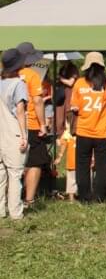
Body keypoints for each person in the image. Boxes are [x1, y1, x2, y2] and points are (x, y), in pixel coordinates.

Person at [69, 51, 106, 204]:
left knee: (82, 166)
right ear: (102, 67)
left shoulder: (79, 83)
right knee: (101, 166)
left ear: (86, 67)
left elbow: (74, 108)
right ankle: (99, 197)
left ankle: (84, 197)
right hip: (102, 132)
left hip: (83, 131)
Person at [16, 43, 48, 209]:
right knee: (34, 162)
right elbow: (37, 100)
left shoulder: (6, 74)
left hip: (10, 124)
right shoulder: (32, 75)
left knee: (11, 163)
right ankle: (29, 200)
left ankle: (10, 199)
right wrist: (43, 124)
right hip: (31, 124)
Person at [0, 48, 30, 219]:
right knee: (15, 173)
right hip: (13, 133)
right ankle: (15, 212)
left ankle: (0, 211)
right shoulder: (18, 84)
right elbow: (20, 111)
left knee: (0, 174)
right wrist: (24, 136)